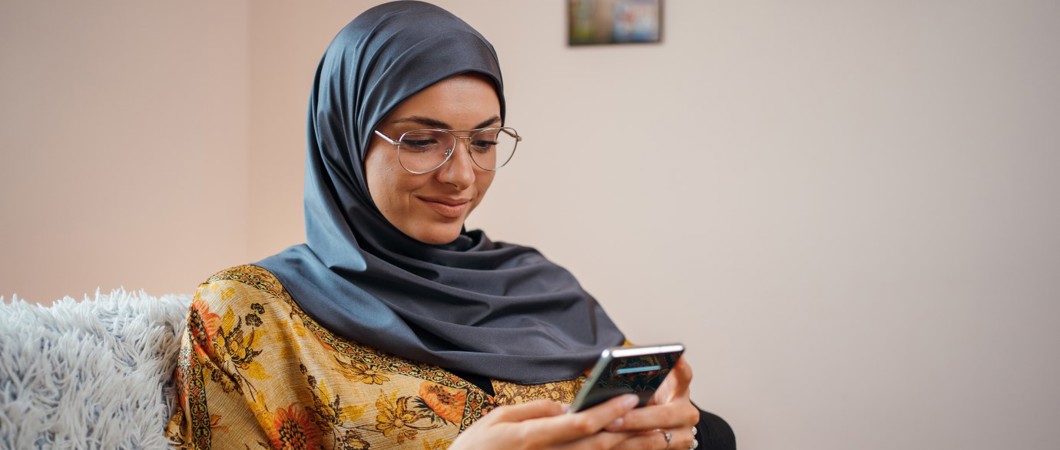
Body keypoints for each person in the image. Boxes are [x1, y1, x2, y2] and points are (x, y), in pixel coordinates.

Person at [165, 2, 735, 449]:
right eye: (421, 141)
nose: (462, 175)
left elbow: (668, 423)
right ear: (343, 136)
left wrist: (680, 431)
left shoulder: (538, 283)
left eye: (485, 141)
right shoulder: (251, 315)